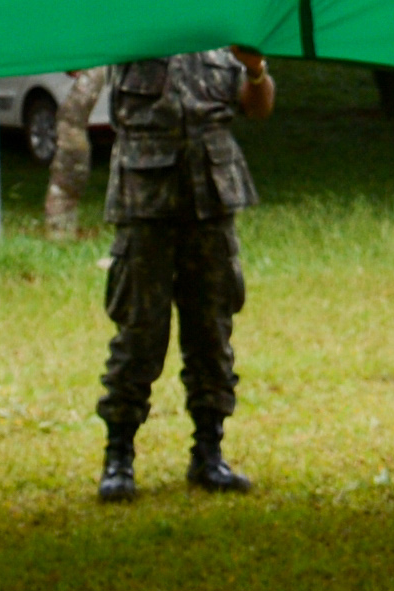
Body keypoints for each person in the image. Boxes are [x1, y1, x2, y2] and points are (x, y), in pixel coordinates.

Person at [95, 45, 272, 501]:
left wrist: (255, 71)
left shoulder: (224, 34)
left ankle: (209, 455)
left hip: (210, 204)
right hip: (144, 204)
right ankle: (119, 459)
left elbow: (260, 107)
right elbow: (79, 54)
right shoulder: (130, 27)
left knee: (211, 332)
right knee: (139, 333)